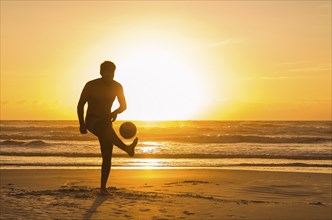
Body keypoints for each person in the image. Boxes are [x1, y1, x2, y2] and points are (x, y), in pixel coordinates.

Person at [77, 61, 138, 195]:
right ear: (101, 73)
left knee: (107, 154)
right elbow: (80, 105)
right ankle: (127, 148)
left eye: (112, 73)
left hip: (106, 121)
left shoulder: (117, 87)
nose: (110, 76)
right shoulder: (91, 85)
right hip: (92, 120)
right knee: (103, 127)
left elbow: (123, 106)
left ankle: (103, 188)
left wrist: (113, 113)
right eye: (107, 73)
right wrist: (82, 124)